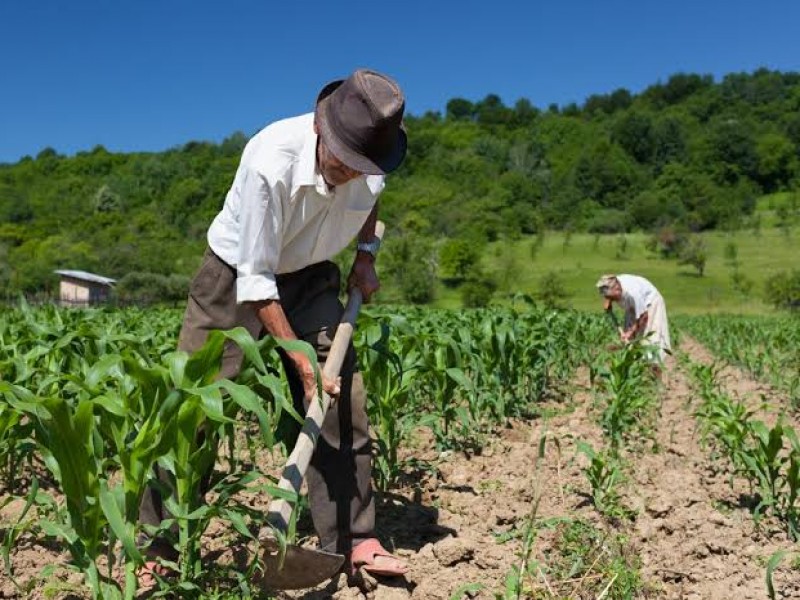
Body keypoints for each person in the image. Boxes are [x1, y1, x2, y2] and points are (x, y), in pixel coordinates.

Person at [137, 68, 409, 587]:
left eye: (363, 166)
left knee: (340, 396)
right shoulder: (269, 161)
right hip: (236, 272)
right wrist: (298, 359)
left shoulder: (374, 159)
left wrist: (367, 255)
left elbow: (371, 204)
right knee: (195, 402)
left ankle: (354, 539)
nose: (352, 174)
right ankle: (158, 540)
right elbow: (256, 281)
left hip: (311, 273)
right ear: (320, 130)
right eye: (343, 162)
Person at [595, 274, 671, 365]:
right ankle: (634, 365)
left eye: (614, 298)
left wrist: (630, 332)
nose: (615, 300)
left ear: (617, 289)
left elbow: (643, 316)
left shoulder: (633, 293)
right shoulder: (613, 283)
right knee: (630, 341)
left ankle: (654, 371)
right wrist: (609, 300)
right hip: (632, 305)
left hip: (650, 304)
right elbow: (607, 291)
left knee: (650, 340)